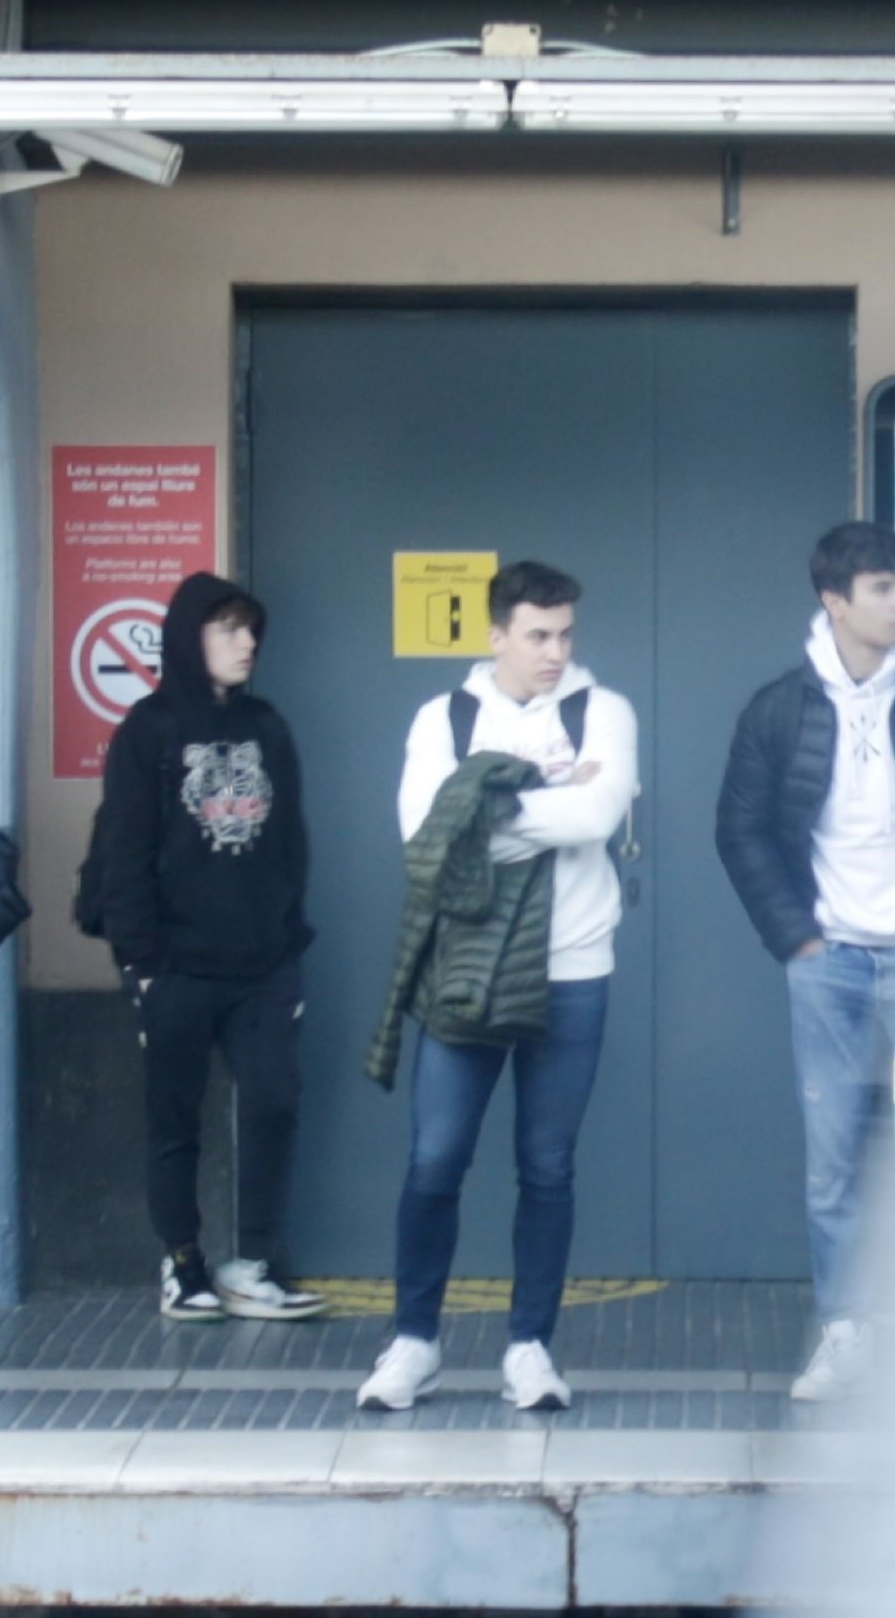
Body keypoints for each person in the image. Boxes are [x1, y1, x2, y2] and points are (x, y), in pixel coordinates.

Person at [716, 518, 895, 1407]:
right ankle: (848, 1334)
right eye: (880, 588)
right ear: (833, 601)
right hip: (828, 962)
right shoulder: (780, 708)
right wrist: (797, 936)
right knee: (835, 1159)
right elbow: (741, 829)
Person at [362, 560, 637, 1415]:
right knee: (436, 1158)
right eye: (537, 635)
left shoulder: (605, 711)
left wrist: (485, 811)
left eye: (565, 635)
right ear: (497, 636)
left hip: (574, 967)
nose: (556, 652)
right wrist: (548, 796)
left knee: (547, 1166)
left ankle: (530, 1348)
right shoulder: (444, 718)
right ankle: (413, 1341)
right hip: (469, 971)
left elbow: (599, 819)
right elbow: (427, 839)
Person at [82, 568, 328, 1320]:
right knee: (173, 1117)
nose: (246, 642)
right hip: (176, 966)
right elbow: (124, 853)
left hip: (262, 966)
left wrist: (287, 943)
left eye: (250, 629)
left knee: (273, 1103)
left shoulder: (268, 726)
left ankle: (252, 1262)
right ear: (191, 639)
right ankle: (182, 1265)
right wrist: (143, 966)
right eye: (228, 629)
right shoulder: (148, 731)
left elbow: (291, 843)